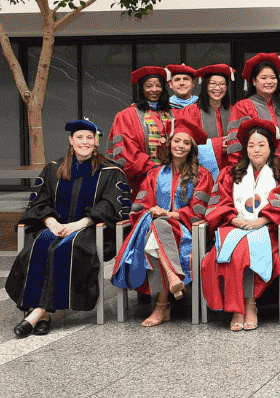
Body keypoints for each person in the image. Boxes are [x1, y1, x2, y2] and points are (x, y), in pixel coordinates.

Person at [8, 119, 130, 339]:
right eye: (79, 137)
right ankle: (42, 315)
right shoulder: (54, 168)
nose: (85, 142)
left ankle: (37, 314)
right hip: (54, 227)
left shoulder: (110, 171)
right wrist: (51, 222)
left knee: (66, 251)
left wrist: (79, 224)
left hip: (90, 230)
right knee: (36, 248)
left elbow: (113, 205)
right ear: (71, 141)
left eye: (89, 138)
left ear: (96, 142)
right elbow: (39, 202)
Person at [112, 116, 216, 327]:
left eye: (186, 143)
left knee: (158, 227)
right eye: (177, 141)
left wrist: (170, 215)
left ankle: (162, 306)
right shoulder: (154, 174)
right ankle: (173, 277)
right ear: (169, 143)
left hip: (185, 231)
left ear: (191, 148)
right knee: (157, 226)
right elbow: (141, 205)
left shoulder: (201, 176)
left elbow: (200, 210)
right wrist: (154, 211)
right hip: (153, 226)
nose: (180, 146)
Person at [201, 117, 280, 331]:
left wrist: (263, 220)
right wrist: (234, 219)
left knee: (245, 252)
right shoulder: (231, 173)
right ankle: (240, 307)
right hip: (234, 227)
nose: (256, 150)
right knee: (226, 255)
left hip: (269, 230)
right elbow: (218, 203)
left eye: (262, 145)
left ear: (271, 147)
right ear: (245, 149)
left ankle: (247, 306)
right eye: (251, 146)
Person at [224, 53, 280, 170]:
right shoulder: (242, 107)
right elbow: (237, 143)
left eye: (273, 77)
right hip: (255, 169)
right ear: (254, 81)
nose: (269, 81)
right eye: (264, 78)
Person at [107, 66, 174, 191]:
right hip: (142, 179)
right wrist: (153, 169)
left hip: (174, 178)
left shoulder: (173, 114)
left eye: (158, 85)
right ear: (142, 89)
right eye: (149, 86)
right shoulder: (127, 115)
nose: (154, 89)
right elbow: (126, 149)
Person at [178, 63, 234, 177]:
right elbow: (184, 143)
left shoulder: (234, 111)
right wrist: (217, 145)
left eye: (222, 84)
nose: (217, 88)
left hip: (230, 171)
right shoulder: (190, 111)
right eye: (212, 83)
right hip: (200, 173)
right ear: (205, 86)